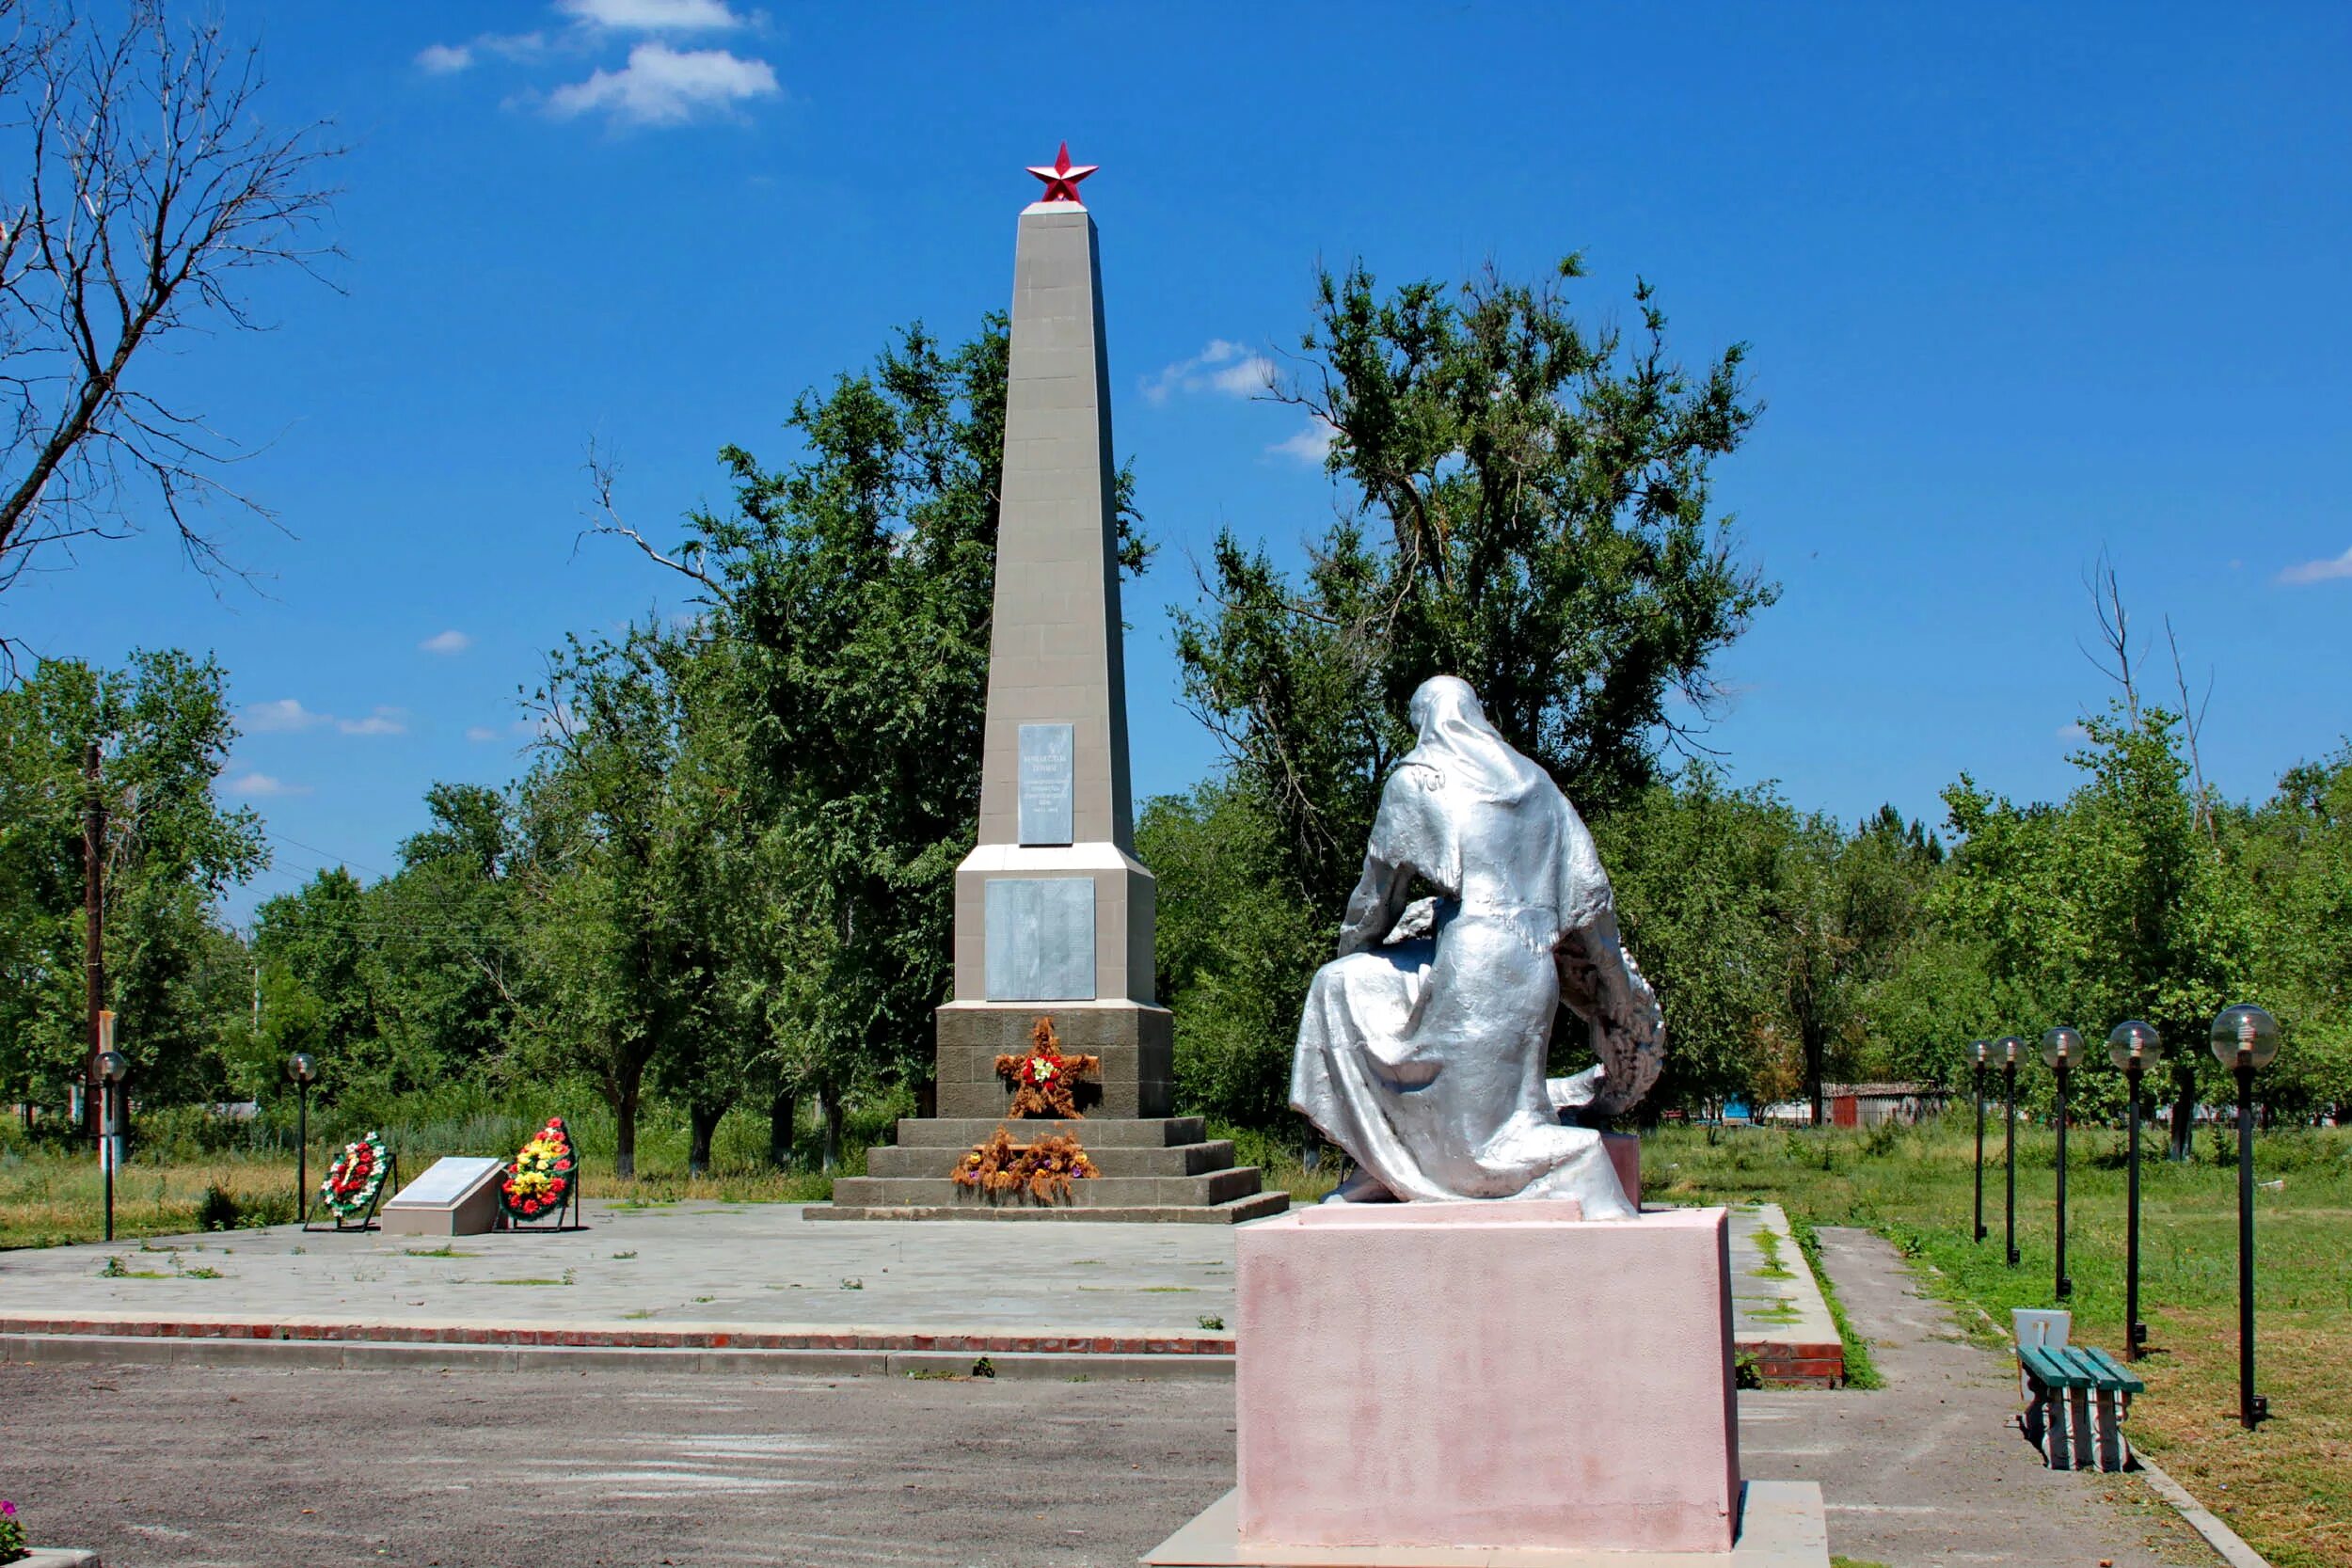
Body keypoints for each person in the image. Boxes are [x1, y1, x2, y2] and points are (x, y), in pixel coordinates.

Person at [1290, 676, 1661, 1212]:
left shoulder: (1419, 778)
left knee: (1477, 1151)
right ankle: (1383, 1164)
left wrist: (1355, 945)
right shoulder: (1536, 783)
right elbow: (1593, 902)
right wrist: (1615, 987)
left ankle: (1582, 1170)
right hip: (1531, 968)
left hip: (1475, 965)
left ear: (1426, 721)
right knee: (1338, 985)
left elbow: (1378, 895)